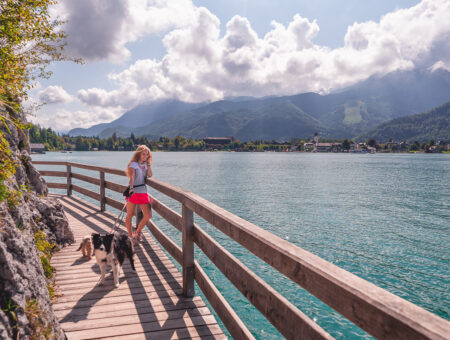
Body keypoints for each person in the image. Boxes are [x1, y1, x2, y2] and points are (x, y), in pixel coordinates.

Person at [125, 145, 153, 241]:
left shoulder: (145, 165)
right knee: (129, 215)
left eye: (147, 154)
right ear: (138, 154)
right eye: (143, 154)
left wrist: (148, 164)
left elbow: (149, 175)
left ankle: (136, 233)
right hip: (134, 192)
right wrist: (131, 188)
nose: (145, 156)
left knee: (148, 215)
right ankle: (130, 236)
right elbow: (132, 177)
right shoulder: (133, 164)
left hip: (143, 192)